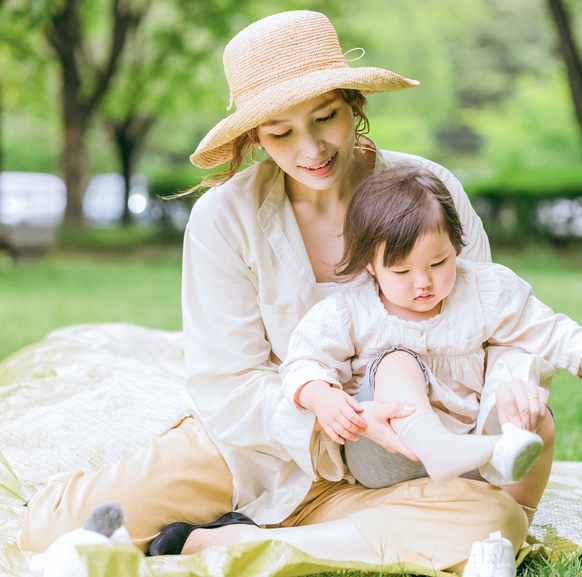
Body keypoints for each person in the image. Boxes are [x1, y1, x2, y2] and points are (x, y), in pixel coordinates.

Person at [18, 10, 555, 575]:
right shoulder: (223, 219)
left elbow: (496, 324)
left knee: (490, 522)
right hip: (252, 449)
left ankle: (225, 543)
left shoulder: (427, 189)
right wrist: (335, 420)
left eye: (326, 117)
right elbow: (228, 384)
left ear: (354, 104)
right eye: (281, 132)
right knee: (54, 531)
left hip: (396, 457)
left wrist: (511, 394)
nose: (312, 148)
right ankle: (297, 529)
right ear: (254, 137)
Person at [281, 166, 582, 492]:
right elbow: (304, 360)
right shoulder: (351, 310)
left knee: (535, 410)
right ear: (371, 266)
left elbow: (542, 328)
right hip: (388, 449)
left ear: (455, 245)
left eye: (438, 263)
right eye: (401, 271)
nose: (423, 283)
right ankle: (434, 444)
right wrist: (321, 397)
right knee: (394, 359)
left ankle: (515, 519)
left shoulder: (484, 291)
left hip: (477, 450)